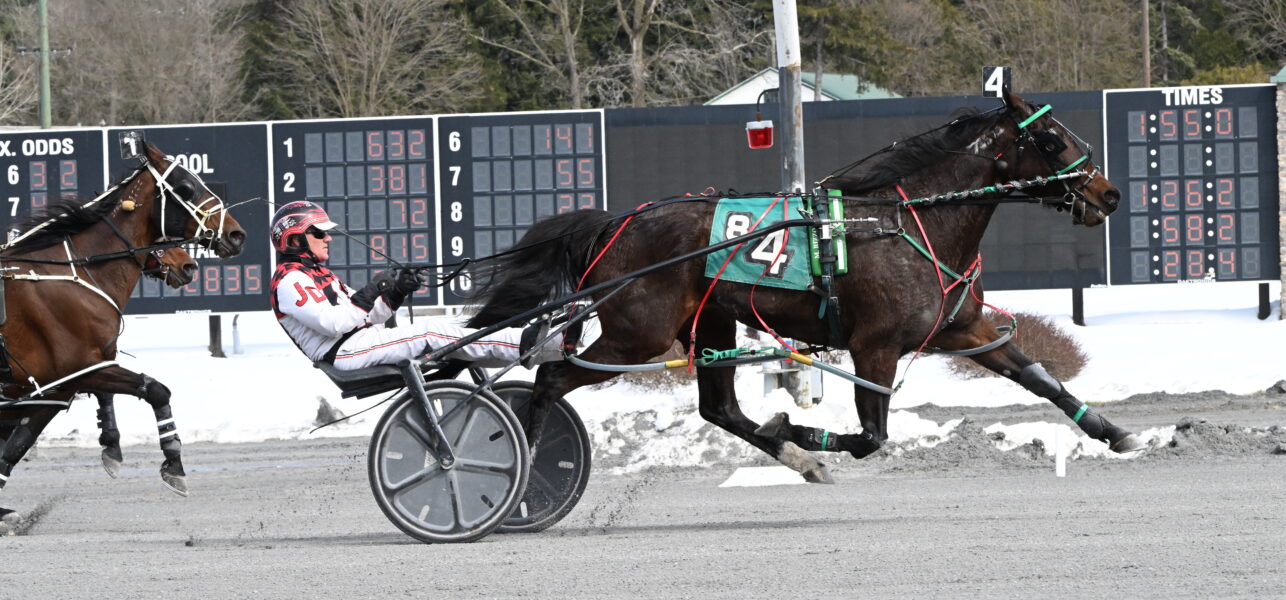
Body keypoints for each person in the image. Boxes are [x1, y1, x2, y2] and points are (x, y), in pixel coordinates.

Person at [268, 200, 558, 371]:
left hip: (358, 342)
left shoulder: (316, 273)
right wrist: (370, 291)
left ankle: (544, 343)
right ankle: (525, 344)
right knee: (431, 331)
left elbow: (366, 316)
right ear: (294, 239)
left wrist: (395, 293)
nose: (328, 238)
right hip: (344, 353)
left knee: (450, 325)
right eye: (319, 233)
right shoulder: (290, 281)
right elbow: (334, 324)